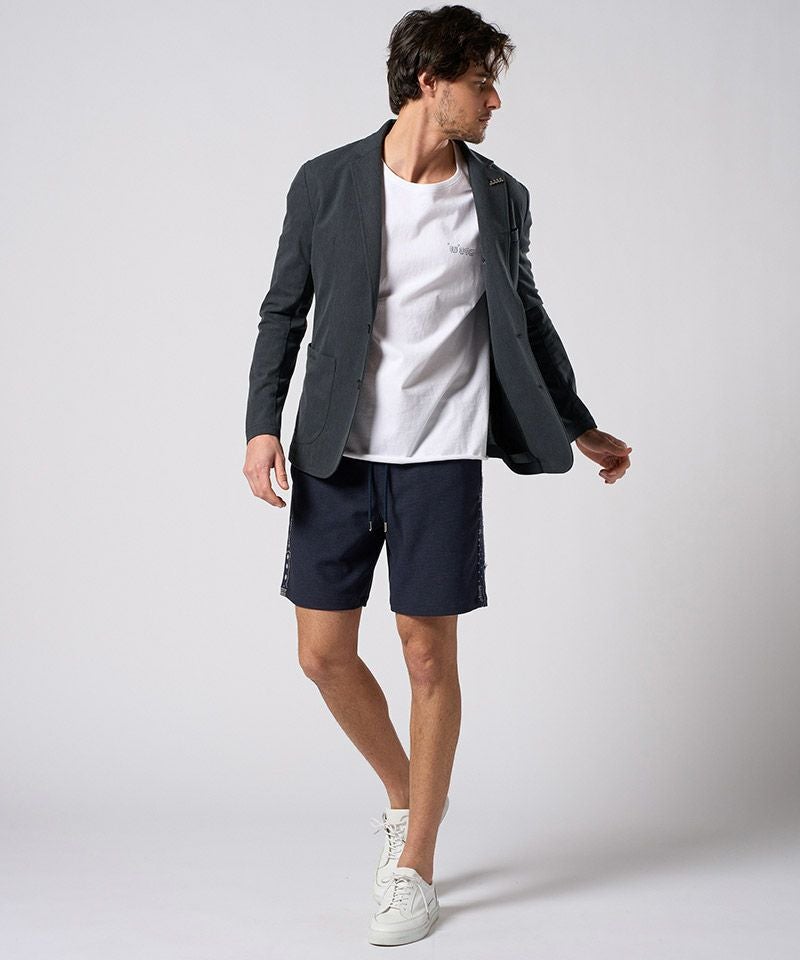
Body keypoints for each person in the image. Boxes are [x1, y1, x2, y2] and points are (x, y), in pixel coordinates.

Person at [242, 4, 632, 946]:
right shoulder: (327, 181)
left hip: (441, 460)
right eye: (481, 83)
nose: (495, 101)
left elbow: (527, 318)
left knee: (427, 658)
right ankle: (408, 792)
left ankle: (415, 863)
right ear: (429, 82)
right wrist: (261, 427)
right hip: (336, 455)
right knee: (321, 655)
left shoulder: (498, 196)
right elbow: (283, 311)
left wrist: (578, 423)